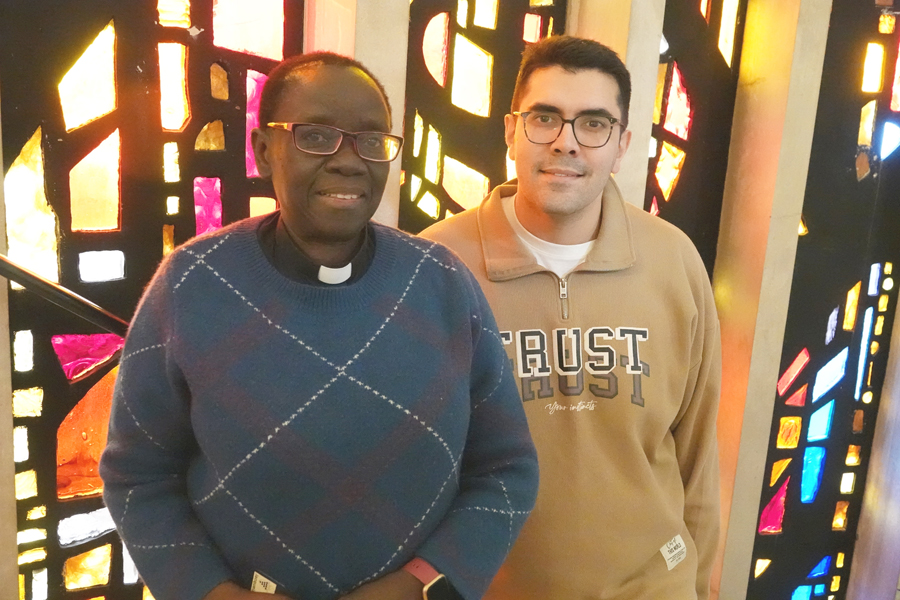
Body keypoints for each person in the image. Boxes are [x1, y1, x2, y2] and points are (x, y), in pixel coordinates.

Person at [100, 52, 539, 600]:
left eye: (371, 140)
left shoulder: (443, 283)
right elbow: (138, 475)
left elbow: (507, 468)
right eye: (315, 136)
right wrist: (211, 594)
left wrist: (423, 585)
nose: (349, 161)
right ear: (264, 150)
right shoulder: (191, 283)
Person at [421, 36, 721, 600]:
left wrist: (700, 588)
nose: (566, 142)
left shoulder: (673, 259)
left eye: (594, 124)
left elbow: (698, 454)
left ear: (622, 144)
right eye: (545, 118)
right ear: (511, 131)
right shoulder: (436, 266)